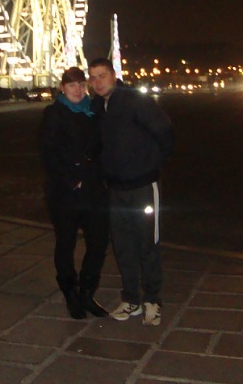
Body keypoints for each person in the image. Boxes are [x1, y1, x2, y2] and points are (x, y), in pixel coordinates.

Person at [87, 57, 173, 326]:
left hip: (142, 186)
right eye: (93, 77)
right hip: (115, 189)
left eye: (102, 75)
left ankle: (152, 300)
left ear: (114, 75)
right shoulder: (97, 107)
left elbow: (164, 131)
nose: (98, 82)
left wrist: (150, 164)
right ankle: (131, 299)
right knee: (122, 245)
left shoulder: (135, 100)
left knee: (148, 243)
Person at [41, 67, 110, 319]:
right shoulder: (54, 114)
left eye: (81, 84)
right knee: (66, 242)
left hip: (94, 188)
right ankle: (70, 293)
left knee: (98, 241)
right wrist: (72, 180)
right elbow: (49, 152)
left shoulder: (95, 110)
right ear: (62, 88)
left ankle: (87, 292)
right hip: (66, 191)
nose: (78, 90)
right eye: (72, 85)